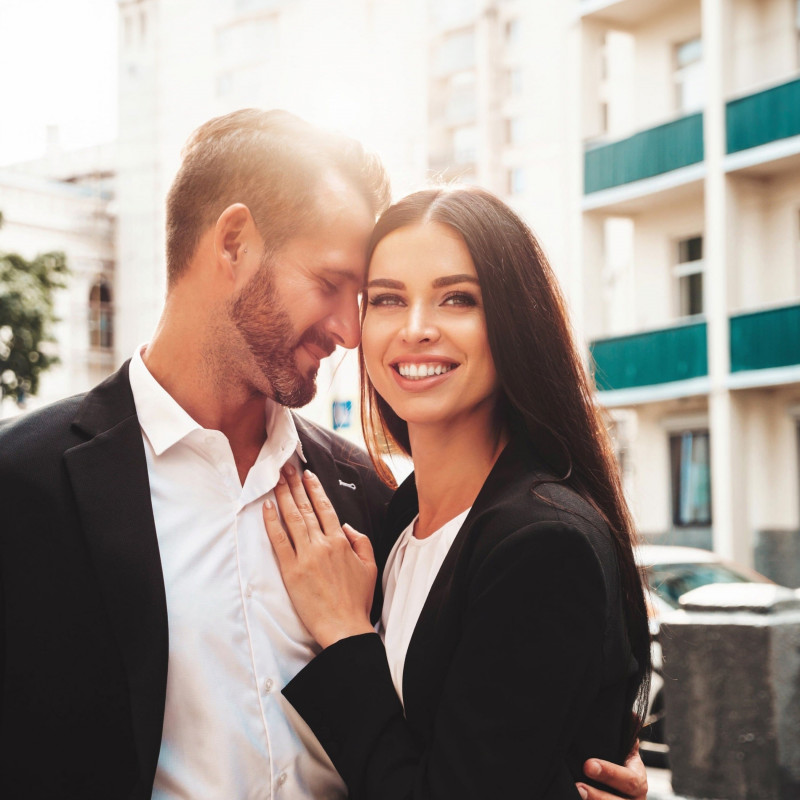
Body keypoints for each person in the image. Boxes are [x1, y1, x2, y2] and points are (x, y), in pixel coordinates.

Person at [0, 109, 647, 800]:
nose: (350, 330)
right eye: (339, 286)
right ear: (234, 243)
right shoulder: (26, 488)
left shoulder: (369, 498)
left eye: (363, 297)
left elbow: (465, 736)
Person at [262, 185, 653, 799]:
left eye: (457, 298)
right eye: (389, 299)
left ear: (513, 321)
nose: (416, 329)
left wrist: (342, 633)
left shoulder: (544, 543)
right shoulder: (395, 517)